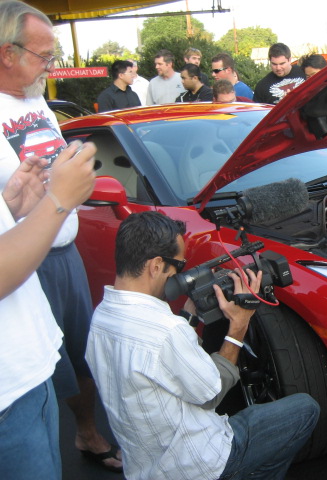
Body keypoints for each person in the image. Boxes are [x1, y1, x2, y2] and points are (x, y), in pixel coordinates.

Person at [85, 211, 320, 480]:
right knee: (306, 408)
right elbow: (211, 394)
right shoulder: (166, 331)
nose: (179, 274)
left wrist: (189, 313)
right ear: (156, 266)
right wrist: (239, 325)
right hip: (198, 464)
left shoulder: (100, 318)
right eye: (179, 267)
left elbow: (159, 365)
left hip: (146, 465)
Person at [0, 1, 122, 473]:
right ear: (7, 53)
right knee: (40, 373)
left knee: (77, 350)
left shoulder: (35, 100)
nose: (52, 66)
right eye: (44, 56)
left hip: (62, 250)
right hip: (22, 262)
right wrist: (49, 202)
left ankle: (87, 434)